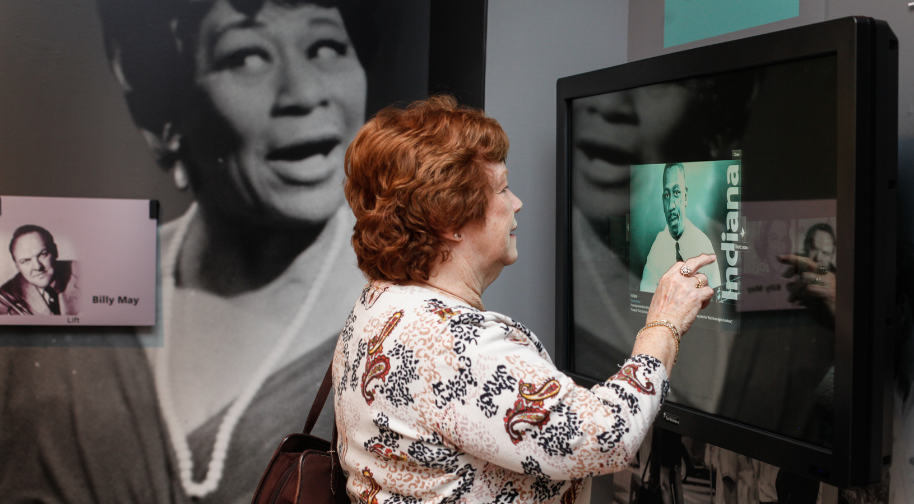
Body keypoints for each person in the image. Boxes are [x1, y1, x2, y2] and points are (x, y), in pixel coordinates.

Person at [0, 0, 376, 501]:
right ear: (167, 111)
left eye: (326, 46)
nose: (304, 93)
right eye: (246, 56)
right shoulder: (81, 271)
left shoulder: (399, 304)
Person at [335, 96, 716, 503]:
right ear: (449, 219)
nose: (517, 202)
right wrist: (664, 323)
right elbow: (607, 437)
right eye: (502, 188)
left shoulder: (378, 303)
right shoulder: (457, 345)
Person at [640, 163, 721, 293]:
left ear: (685, 196)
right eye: (667, 195)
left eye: (676, 193)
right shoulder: (657, 248)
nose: (671, 205)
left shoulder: (704, 245)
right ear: (663, 201)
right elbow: (645, 293)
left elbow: (717, 296)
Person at [0, 225, 80, 316]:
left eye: (43, 254)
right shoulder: (6, 297)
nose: (37, 267)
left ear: (55, 251)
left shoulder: (84, 273)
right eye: (25, 261)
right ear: (17, 266)